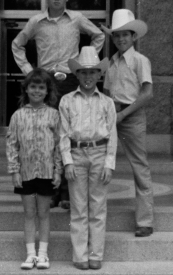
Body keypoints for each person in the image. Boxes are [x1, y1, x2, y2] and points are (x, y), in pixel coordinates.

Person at [12, 0, 105, 210]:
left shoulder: (76, 19)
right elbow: (17, 44)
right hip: (46, 81)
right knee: (49, 136)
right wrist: (30, 72)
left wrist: (85, 62)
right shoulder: (36, 22)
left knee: (70, 133)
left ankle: (67, 192)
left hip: (71, 79)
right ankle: (50, 191)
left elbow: (99, 36)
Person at [59, 46, 117, 270]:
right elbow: (63, 133)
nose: (88, 76)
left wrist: (109, 163)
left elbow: (112, 134)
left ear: (99, 74)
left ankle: (95, 253)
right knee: (78, 207)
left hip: (99, 153)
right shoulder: (67, 101)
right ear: (77, 74)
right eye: (83, 72)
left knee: (98, 207)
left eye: (92, 72)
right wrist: (67, 161)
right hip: (76, 153)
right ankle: (80, 254)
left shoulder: (106, 102)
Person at [101, 9, 154, 237]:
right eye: (117, 35)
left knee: (139, 167)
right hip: (112, 116)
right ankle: (95, 213)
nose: (121, 39)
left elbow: (147, 94)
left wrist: (124, 114)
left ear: (134, 36)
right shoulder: (110, 62)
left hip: (131, 117)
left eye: (125, 34)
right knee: (99, 163)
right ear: (112, 38)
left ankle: (145, 221)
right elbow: (104, 92)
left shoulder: (140, 60)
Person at [6, 68, 63, 270]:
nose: (37, 91)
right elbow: (12, 144)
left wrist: (58, 171)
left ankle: (43, 254)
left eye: (41, 87)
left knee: (44, 212)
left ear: (47, 90)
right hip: (26, 173)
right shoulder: (18, 116)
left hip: (47, 172)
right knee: (29, 213)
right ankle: (30, 254)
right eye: (33, 87)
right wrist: (14, 170)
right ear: (26, 89)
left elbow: (58, 145)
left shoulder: (54, 115)